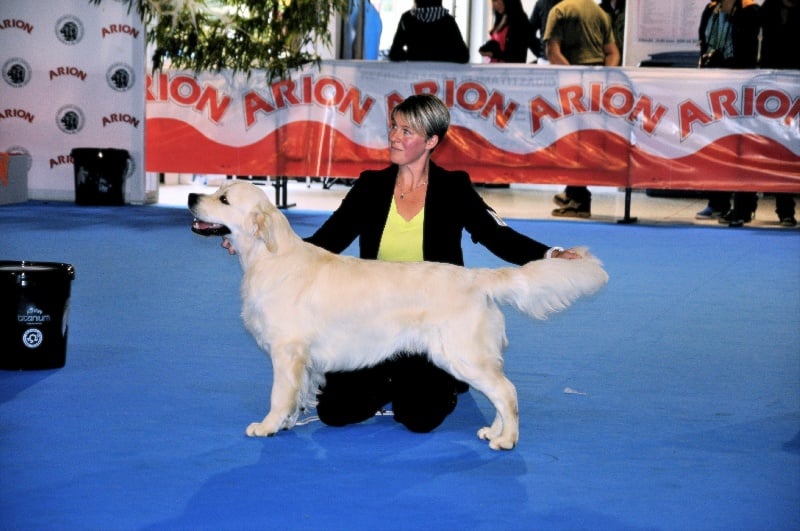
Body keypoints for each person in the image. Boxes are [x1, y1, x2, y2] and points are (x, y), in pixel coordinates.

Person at [222, 94, 583, 434]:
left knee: (419, 416)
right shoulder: (371, 186)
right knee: (336, 412)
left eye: (406, 131)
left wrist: (550, 254)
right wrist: (253, 240)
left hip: (433, 316)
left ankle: (438, 379)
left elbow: (497, 235)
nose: (394, 136)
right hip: (370, 324)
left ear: (430, 141)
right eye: (394, 126)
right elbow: (324, 242)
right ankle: (386, 380)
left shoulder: (453, 188)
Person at [543, 0, 620, 218]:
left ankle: (578, 197)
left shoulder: (559, 11)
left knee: (570, 142)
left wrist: (573, 78)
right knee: (586, 141)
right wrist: (602, 77)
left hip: (570, 85)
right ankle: (573, 192)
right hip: (596, 86)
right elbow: (612, 53)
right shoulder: (600, 13)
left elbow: (552, 52)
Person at [694, 0, 761, 225]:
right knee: (715, 146)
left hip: (740, 89)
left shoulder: (750, 11)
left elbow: (748, 51)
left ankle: (744, 206)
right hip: (713, 87)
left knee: (742, 148)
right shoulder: (710, 10)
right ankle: (717, 201)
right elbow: (704, 44)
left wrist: (732, 14)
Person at [757, 0, 798, 227]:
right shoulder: (767, 8)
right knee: (766, 147)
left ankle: (786, 209)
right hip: (770, 87)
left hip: (795, 87)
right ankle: (781, 210)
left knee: (790, 151)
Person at [388, 0, 469, 63]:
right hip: (441, 76)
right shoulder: (448, 21)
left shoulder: (407, 19)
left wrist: (413, 55)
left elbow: (394, 54)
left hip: (415, 75)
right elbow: (463, 56)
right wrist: (441, 56)